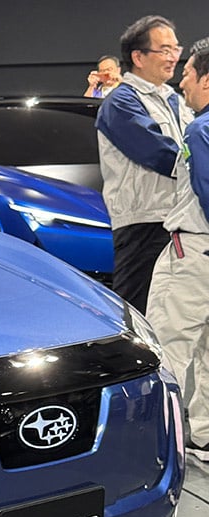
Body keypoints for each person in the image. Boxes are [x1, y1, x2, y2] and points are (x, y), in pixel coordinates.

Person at [95, 16, 193, 313]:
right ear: (138, 57)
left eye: (176, 49)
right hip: (144, 223)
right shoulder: (120, 102)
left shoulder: (175, 99)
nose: (173, 57)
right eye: (164, 50)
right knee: (139, 308)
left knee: (178, 311)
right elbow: (159, 153)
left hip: (179, 220)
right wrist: (200, 163)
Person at [146, 37, 209, 461]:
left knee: (164, 351)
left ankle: (154, 446)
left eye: (187, 73)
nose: (181, 82)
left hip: (193, 251)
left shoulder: (200, 129)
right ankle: (204, 436)